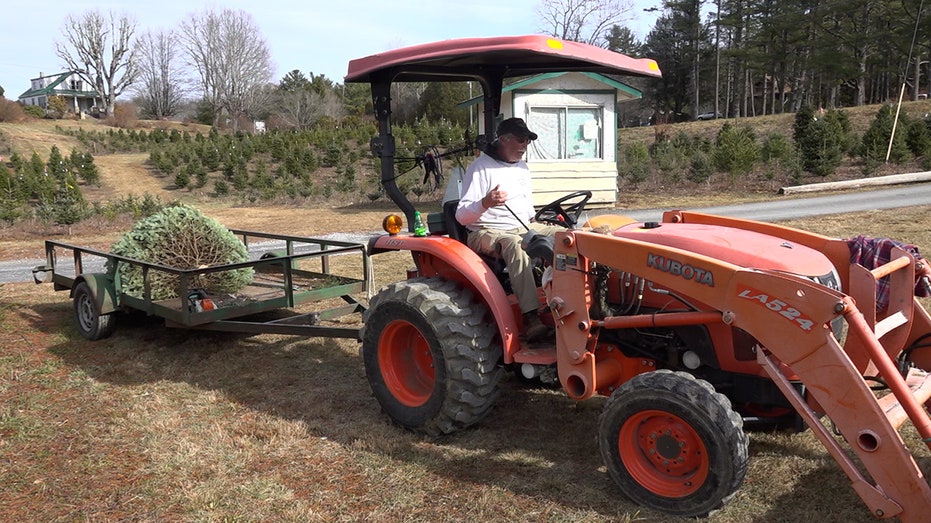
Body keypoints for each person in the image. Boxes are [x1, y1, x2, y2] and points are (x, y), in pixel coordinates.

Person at [456, 117, 563, 342]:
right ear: (503, 139)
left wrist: (541, 223)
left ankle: (578, 300)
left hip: (522, 225)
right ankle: (531, 317)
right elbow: (462, 215)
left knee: (568, 236)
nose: (525, 145)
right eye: (521, 140)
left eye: (528, 141)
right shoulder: (480, 168)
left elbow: (526, 207)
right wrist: (486, 202)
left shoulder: (522, 167)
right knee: (516, 245)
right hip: (485, 231)